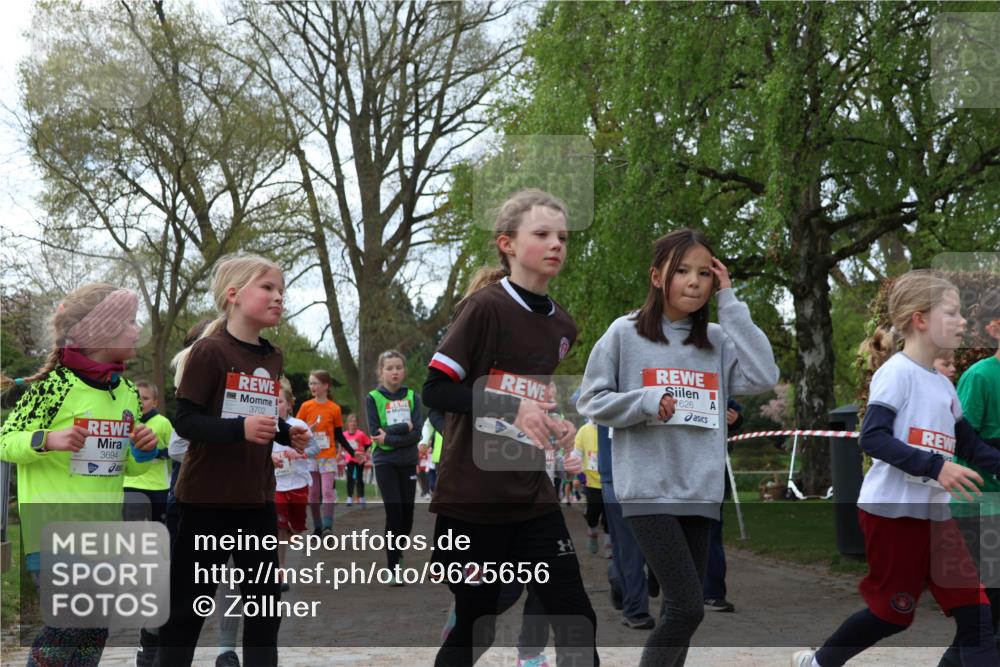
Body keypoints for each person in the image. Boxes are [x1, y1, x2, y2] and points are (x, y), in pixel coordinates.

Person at [578, 228, 779, 666]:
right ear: (656, 276)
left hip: (701, 491)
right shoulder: (624, 334)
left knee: (678, 610)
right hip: (649, 489)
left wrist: (731, 303)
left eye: (705, 273)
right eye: (682, 271)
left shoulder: (718, 341)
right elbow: (591, 400)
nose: (694, 281)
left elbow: (764, 376)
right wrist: (646, 402)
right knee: (688, 606)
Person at [423, 188, 598, 667]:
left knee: (576, 616)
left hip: (531, 496)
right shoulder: (483, 308)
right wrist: (509, 408)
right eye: (541, 234)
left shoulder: (563, 325)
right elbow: (435, 392)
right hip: (472, 500)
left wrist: (553, 420)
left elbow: (531, 396)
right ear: (507, 243)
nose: (556, 244)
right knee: (476, 624)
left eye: (562, 235)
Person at [791, 270, 1000, 667]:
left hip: (939, 518)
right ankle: (820, 663)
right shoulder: (897, 374)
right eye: (952, 313)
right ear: (920, 320)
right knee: (893, 614)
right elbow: (873, 437)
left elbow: (971, 444)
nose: (962, 322)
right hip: (892, 515)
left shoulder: (942, 385)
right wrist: (936, 467)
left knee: (977, 615)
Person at [154, 254, 311, 667]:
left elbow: (256, 411)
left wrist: (282, 431)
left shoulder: (273, 357)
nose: (278, 297)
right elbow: (186, 421)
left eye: (282, 290)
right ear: (234, 294)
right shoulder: (209, 351)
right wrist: (240, 429)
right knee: (189, 607)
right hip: (205, 500)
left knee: (265, 606)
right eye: (268, 288)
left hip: (257, 500)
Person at [0, 284, 158, 667]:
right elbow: (6, 441)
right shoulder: (52, 387)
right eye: (129, 322)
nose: (138, 330)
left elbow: (129, 465)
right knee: (67, 627)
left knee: (95, 631)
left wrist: (143, 447)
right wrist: (48, 439)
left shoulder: (125, 392)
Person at [938, 288, 1000, 667]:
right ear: (995, 328)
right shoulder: (980, 378)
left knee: (984, 624)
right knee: (986, 619)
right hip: (978, 509)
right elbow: (961, 444)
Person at [367, 349, 424, 583]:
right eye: (389, 368)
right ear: (381, 372)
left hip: (408, 461)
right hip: (385, 461)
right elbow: (373, 432)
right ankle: (393, 567)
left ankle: (398, 552)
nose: (394, 372)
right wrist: (404, 428)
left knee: (408, 516)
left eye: (398, 367)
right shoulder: (372, 397)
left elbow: (417, 433)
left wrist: (389, 436)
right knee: (394, 512)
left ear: (404, 371)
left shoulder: (413, 397)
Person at [272, 377, 320, 592]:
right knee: (279, 528)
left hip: (298, 484)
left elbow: (315, 449)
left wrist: (299, 453)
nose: (276, 406)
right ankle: (280, 570)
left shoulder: (299, 426)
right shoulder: (265, 426)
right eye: (271, 402)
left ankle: (289, 533)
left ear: (289, 404)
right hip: (276, 486)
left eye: (280, 401)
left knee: (296, 527)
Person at [296, 370, 355, 536]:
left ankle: (328, 527)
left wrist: (352, 451)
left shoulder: (334, 409)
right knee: (313, 493)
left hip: (328, 454)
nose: (312, 386)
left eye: (315, 383)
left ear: (325, 386)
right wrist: (307, 430)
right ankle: (317, 527)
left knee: (327, 491)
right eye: (310, 383)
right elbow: (296, 428)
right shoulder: (306, 407)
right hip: (311, 455)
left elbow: (338, 434)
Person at [703, 397, 743, 613]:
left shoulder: (711, 377)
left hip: (711, 477)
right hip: (673, 475)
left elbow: (732, 406)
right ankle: (653, 576)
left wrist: (735, 418)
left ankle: (712, 593)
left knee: (711, 535)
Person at [123, 380, 174, 523]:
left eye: (145, 398)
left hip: (158, 486)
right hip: (131, 484)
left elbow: (175, 451)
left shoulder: (163, 422)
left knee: (159, 529)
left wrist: (156, 453)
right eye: (137, 397)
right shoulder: (125, 423)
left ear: (155, 402)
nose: (140, 402)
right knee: (132, 531)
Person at [575, 418, 611, 557]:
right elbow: (577, 455)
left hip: (609, 481)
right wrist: (579, 477)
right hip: (591, 483)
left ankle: (609, 545)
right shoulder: (583, 431)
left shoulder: (611, 427)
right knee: (592, 514)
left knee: (609, 516)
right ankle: (592, 532)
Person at [343, 413, 372, 507]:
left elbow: (368, 442)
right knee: (350, 477)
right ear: (348, 423)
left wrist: (364, 451)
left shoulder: (361, 434)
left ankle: (362, 497)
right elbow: (342, 445)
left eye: (355, 421)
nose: (353, 423)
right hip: (349, 458)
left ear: (357, 423)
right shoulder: (344, 434)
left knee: (359, 478)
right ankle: (349, 497)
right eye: (351, 421)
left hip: (359, 459)